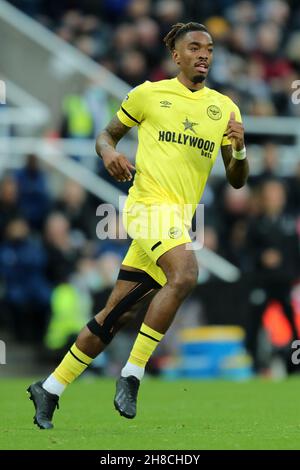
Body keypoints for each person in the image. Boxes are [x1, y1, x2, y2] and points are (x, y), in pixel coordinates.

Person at [27, 21, 248, 429]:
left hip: (178, 222)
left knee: (115, 316)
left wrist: (239, 146)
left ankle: (50, 388)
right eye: (195, 47)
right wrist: (109, 154)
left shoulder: (224, 108)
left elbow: (237, 178)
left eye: (211, 48)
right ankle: (132, 374)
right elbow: (106, 136)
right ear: (176, 56)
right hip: (146, 208)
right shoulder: (149, 94)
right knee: (185, 274)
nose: (204, 54)